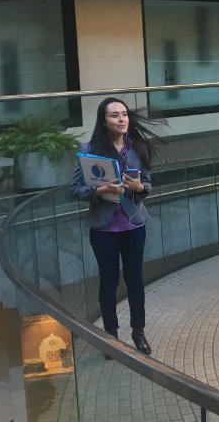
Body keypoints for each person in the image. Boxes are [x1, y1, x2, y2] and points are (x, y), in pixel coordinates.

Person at [69, 97, 160, 356]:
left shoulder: (138, 149)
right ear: (104, 121)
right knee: (108, 282)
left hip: (133, 226)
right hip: (104, 229)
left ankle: (138, 332)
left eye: (124, 114)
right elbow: (75, 190)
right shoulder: (89, 150)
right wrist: (101, 190)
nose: (122, 119)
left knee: (135, 281)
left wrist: (140, 188)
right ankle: (111, 337)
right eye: (115, 116)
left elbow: (149, 185)